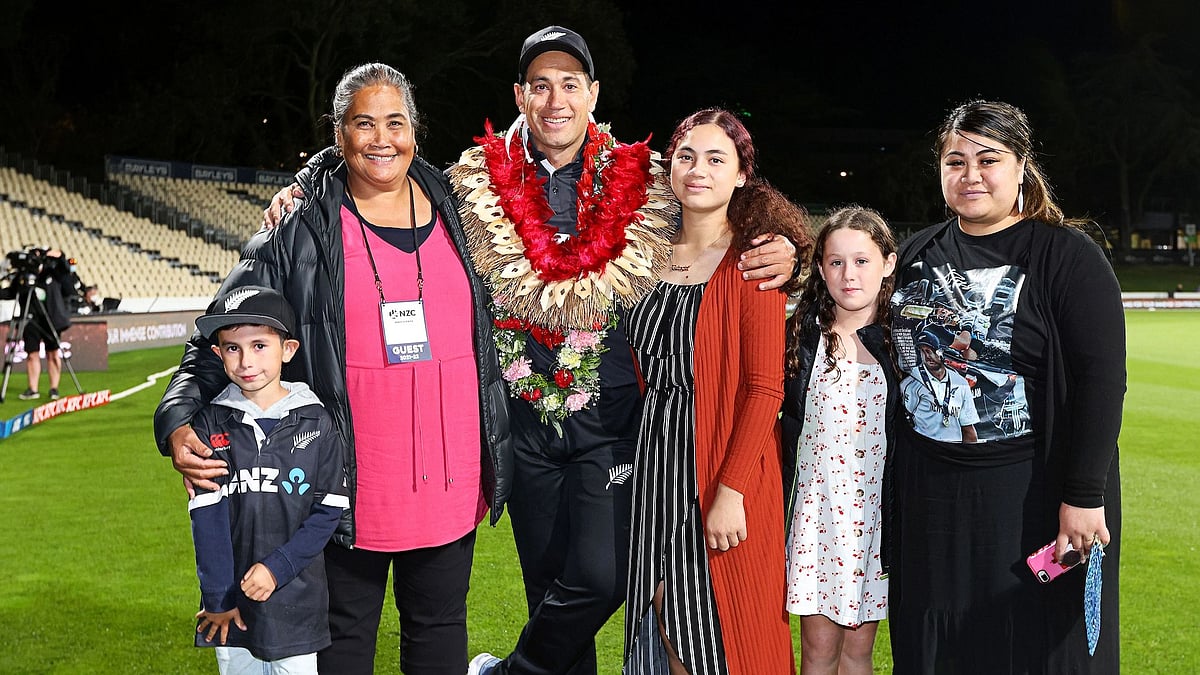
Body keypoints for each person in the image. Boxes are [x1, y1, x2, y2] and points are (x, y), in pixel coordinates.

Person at [264, 26, 800, 675]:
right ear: (520, 94)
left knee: (603, 577)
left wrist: (786, 243)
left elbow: (724, 200)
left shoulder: (645, 181)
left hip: (614, 425)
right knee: (548, 589)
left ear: (593, 94)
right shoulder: (469, 182)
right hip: (521, 422)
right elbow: (383, 162)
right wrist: (308, 180)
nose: (555, 100)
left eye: (570, 84)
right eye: (540, 85)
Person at [154, 63, 513, 675]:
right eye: (363, 123)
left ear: (416, 132)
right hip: (347, 483)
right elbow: (216, 334)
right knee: (345, 643)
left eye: (395, 122)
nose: (382, 138)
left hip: (451, 483)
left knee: (439, 635)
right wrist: (176, 418)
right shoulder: (297, 228)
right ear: (339, 135)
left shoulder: (464, 208)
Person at [887, 100, 1124, 673]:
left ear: (1021, 167)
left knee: (1032, 646)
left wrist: (1085, 496)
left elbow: (1102, 379)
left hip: (1030, 495)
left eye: (987, 160)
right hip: (934, 497)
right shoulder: (919, 251)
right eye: (955, 161)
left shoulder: (1066, 255)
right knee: (939, 647)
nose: (970, 175)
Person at [622, 108, 808, 674]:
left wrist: (732, 490)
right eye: (686, 156)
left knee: (707, 633)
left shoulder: (753, 261)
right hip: (654, 468)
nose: (698, 169)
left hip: (719, 467)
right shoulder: (640, 258)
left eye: (715, 158)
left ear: (741, 176)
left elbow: (764, 388)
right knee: (659, 619)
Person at [186, 285, 349, 674]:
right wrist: (217, 598)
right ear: (217, 353)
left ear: (288, 350)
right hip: (232, 604)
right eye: (232, 348)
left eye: (259, 345)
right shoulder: (210, 422)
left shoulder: (317, 420)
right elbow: (206, 518)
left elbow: (328, 512)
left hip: (296, 600)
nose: (246, 361)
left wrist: (277, 568)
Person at [781, 206, 899, 675]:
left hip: (875, 521)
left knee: (857, 656)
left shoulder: (904, 341)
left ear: (888, 262)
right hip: (819, 518)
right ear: (820, 268)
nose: (849, 275)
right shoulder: (800, 336)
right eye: (835, 262)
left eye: (862, 260)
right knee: (818, 654)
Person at [12, 248, 73, 401]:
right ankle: (33, 389)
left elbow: (65, 271)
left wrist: (60, 256)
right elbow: (12, 291)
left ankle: (54, 388)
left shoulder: (52, 272)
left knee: (53, 353)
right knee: (32, 355)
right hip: (30, 319)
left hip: (50, 319)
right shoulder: (24, 276)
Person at [898, 327, 979, 442]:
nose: (927, 356)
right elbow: (905, 421)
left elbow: (969, 430)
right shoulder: (912, 382)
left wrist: (970, 458)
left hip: (953, 450)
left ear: (940, 352)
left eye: (929, 351)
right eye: (922, 351)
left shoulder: (960, 383)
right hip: (924, 449)